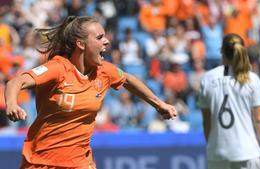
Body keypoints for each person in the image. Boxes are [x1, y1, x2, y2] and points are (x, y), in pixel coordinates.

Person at [4, 16, 177, 169]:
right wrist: (12, 104)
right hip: (41, 161)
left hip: (81, 162)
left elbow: (128, 80)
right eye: (100, 37)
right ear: (81, 44)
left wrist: (159, 104)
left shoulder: (104, 71)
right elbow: (16, 81)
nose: (107, 41)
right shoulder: (58, 68)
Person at [198, 33, 260, 169]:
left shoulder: (207, 78)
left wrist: (211, 146)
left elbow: (207, 122)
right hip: (247, 152)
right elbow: (258, 119)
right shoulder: (251, 78)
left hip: (218, 154)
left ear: (221, 51)